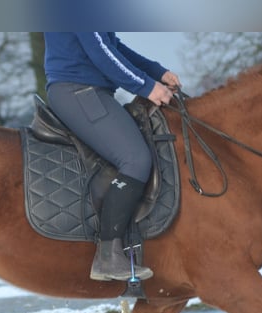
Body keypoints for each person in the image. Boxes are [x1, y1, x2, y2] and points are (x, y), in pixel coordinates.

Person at [43, 32, 182, 282]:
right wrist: (146, 86)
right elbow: (101, 52)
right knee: (135, 159)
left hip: (89, 90)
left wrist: (155, 71)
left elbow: (112, 46)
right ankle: (108, 255)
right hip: (78, 90)